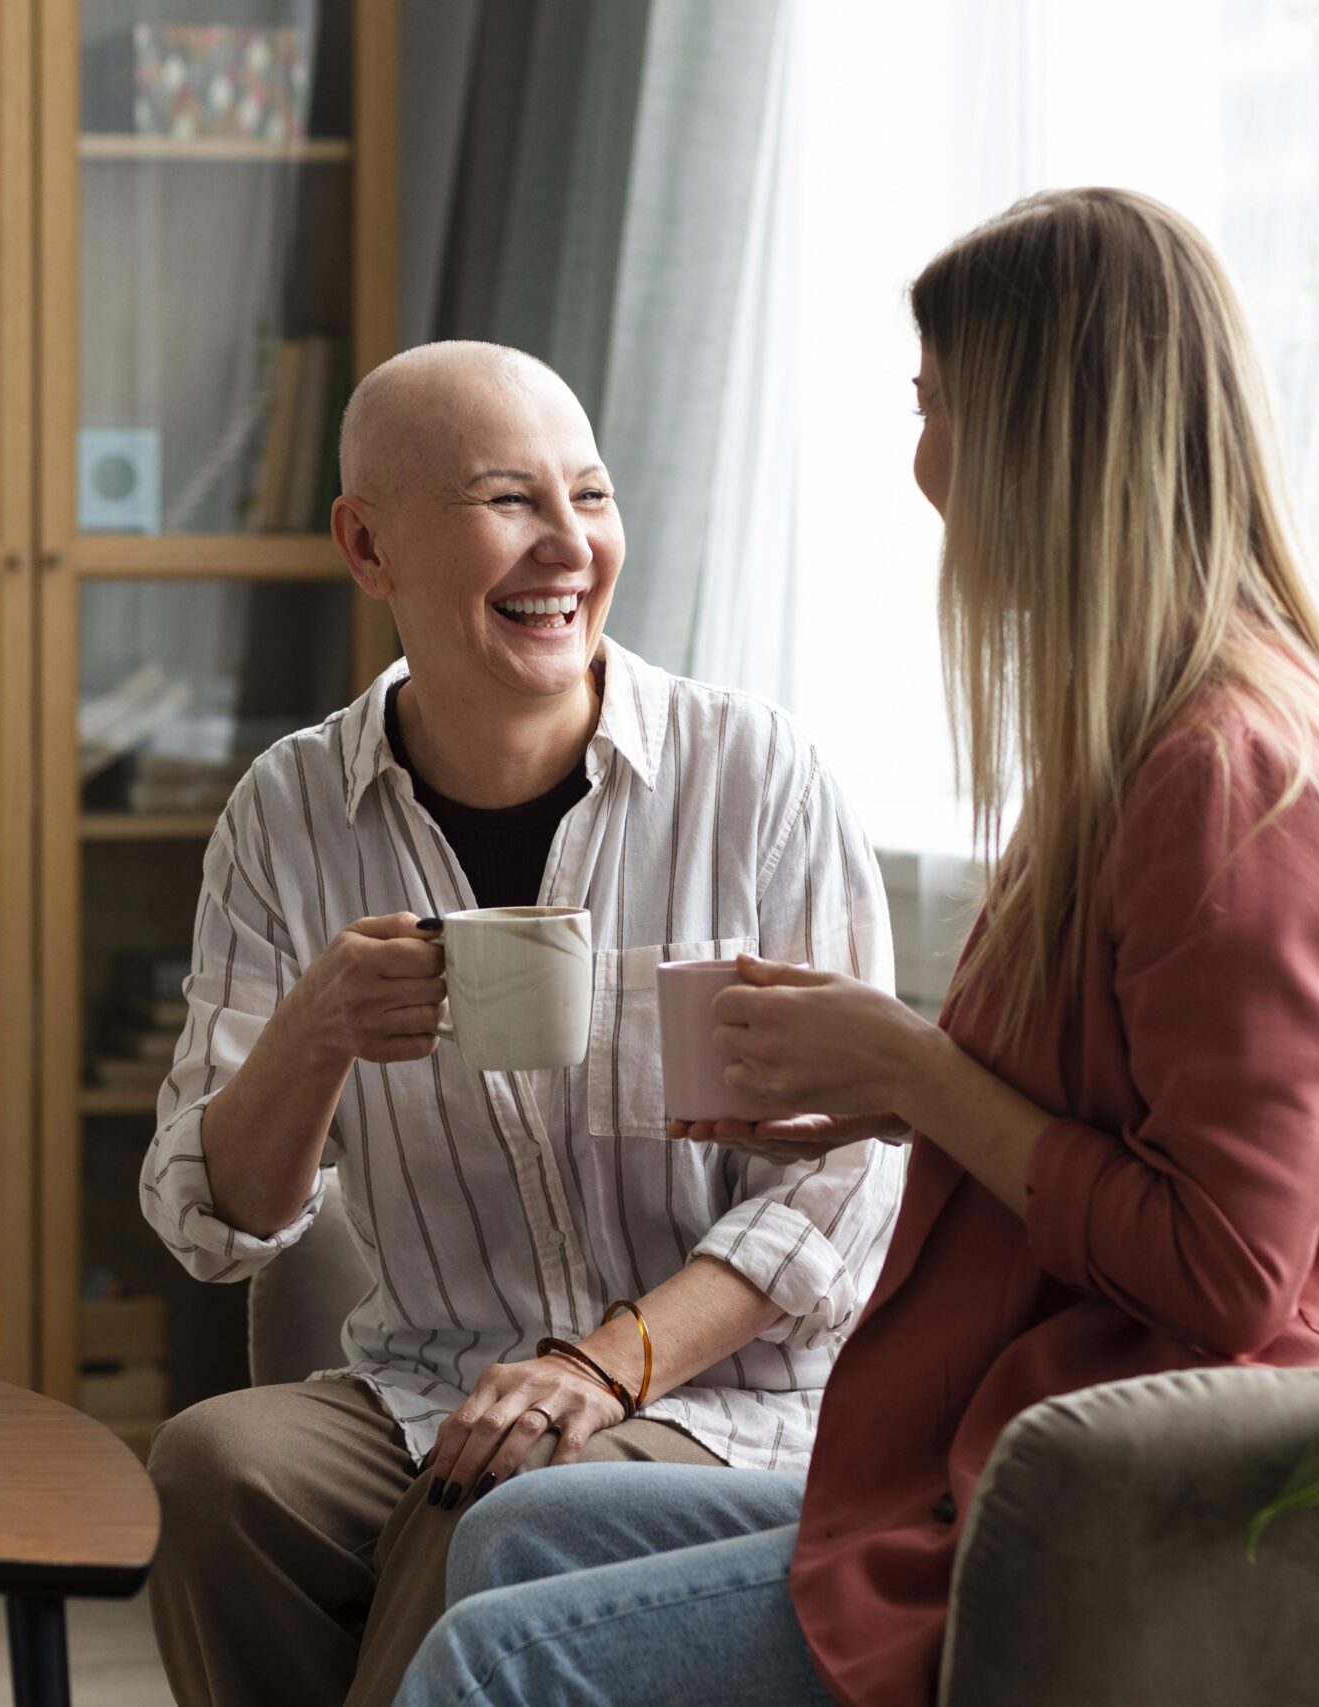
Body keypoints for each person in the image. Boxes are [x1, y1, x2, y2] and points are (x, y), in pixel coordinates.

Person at [392, 188, 1319, 1707]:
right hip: (1042, 1442)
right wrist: (900, 1083)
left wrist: (918, 1070)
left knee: (504, 1656)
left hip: (1161, 1497)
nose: (923, 467)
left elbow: (1230, 1275)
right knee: (515, 1541)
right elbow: (1119, 1124)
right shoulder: (1138, 750)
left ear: (1047, 437)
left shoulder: (1226, 785)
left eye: (939, 409)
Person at [139, 340, 908, 1707]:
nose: (570, 546)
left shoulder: (755, 778)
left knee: (489, 1497)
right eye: (511, 501)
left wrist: (604, 1368)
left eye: (593, 497)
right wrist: (314, 1029)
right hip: (428, 1378)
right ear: (367, 546)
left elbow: (844, 1185)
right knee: (216, 1470)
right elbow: (213, 1221)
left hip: (724, 1404)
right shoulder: (289, 811)